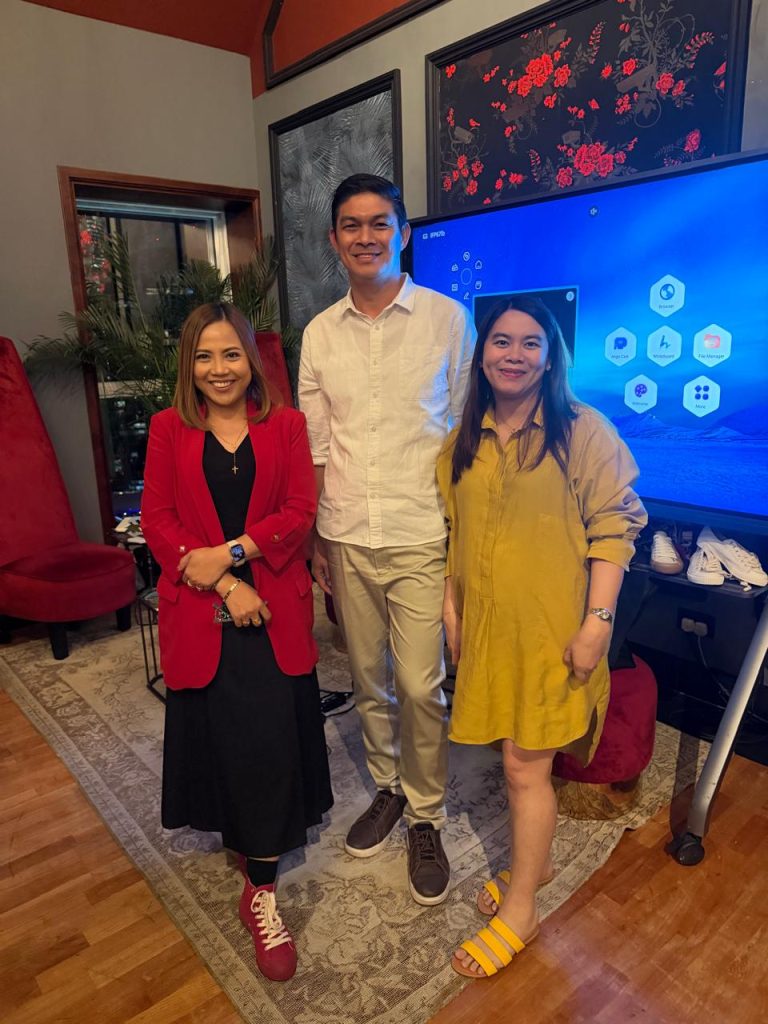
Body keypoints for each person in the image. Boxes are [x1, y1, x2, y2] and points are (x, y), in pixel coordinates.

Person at [437, 297, 647, 978]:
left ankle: (522, 908)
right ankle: (540, 862)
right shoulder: (463, 439)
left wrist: (597, 624)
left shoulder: (585, 431)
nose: (515, 354)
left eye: (531, 342)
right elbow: (455, 533)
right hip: (490, 633)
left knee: (525, 768)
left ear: (551, 357)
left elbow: (615, 531)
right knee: (514, 758)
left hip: (553, 637)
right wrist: (451, 611)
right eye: (501, 341)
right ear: (482, 355)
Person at [141, 301, 332, 982]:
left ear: (251, 360)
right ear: (188, 365)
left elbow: (300, 511)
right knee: (223, 737)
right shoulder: (168, 429)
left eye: (230, 354)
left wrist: (232, 552)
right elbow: (157, 519)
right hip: (204, 610)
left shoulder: (287, 426)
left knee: (270, 740)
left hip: (275, 605)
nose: (219, 369)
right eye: (204, 356)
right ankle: (244, 846)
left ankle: (262, 889)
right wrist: (225, 584)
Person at [298, 173, 476, 905]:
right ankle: (388, 787)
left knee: (420, 684)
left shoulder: (446, 319)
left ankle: (426, 814)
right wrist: (317, 536)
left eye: (380, 223)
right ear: (334, 239)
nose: (365, 237)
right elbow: (317, 445)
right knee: (367, 678)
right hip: (346, 532)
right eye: (352, 225)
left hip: (419, 531)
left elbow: (463, 434)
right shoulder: (319, 333)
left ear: (402, 233)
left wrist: (462, 543)